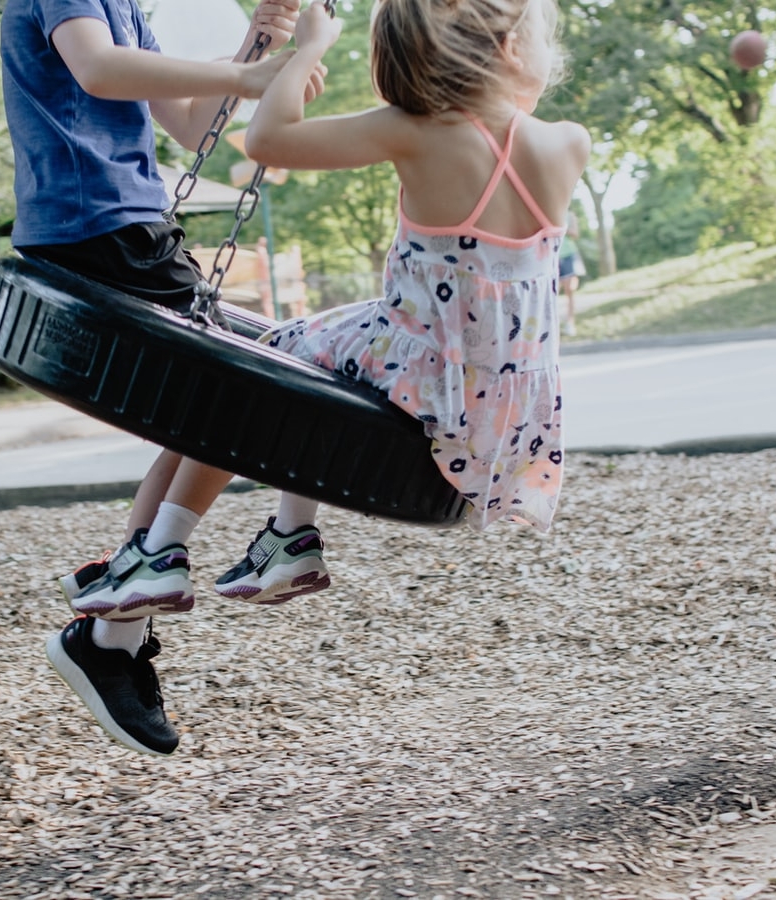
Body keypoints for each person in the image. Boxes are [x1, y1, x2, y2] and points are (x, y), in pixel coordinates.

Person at [55, 0, 591, 756]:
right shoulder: (568, 143)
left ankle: (172, 546)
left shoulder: (413, 130)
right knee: (310, 366)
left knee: (268, 365)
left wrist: (306, 49)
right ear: (508, 48)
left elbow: (267, 139)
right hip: (501, 418)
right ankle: (285, 534)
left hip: (416, 367)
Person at [0, 0, 327, 756]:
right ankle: (127, 625)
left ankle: (115, 634)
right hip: (97, 229)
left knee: (211, 415)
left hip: (129, 228)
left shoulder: (127, 8)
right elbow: (97, 68)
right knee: (251, 389)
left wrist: (266, 44)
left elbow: (189, 127)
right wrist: (248, 72)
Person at [558, 210, 585, 335]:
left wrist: (560, 228)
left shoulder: (570, 215)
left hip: (568, 255)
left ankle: (570, 322)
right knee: (553, 292)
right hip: (552, 255)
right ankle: (554, 322)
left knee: (570, 290)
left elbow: (575, 233)